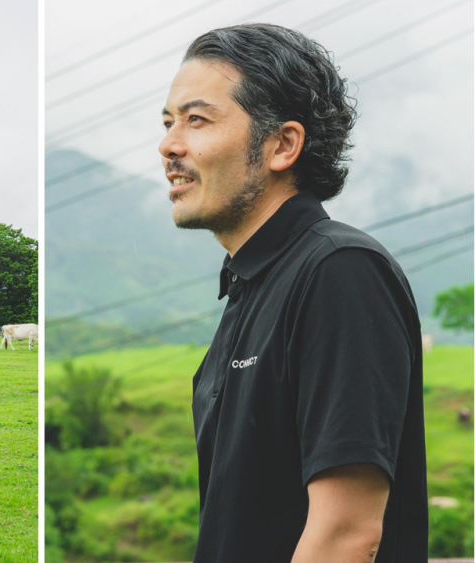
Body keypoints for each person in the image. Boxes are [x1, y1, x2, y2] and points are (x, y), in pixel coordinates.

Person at [158, 23, 427, 562]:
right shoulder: (250, 286)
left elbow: (347, 535)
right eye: (167, 123)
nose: (169, 145)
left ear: (282, 144)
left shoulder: (339, 272)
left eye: (197, 120)